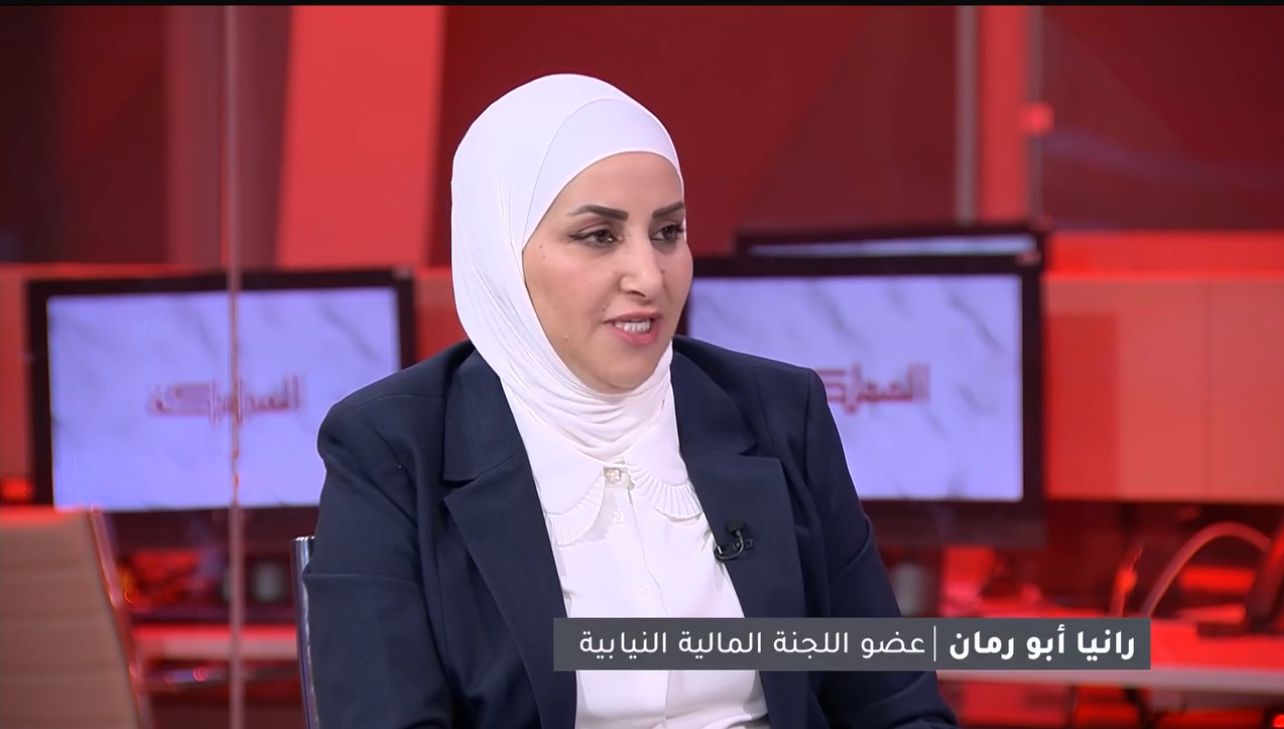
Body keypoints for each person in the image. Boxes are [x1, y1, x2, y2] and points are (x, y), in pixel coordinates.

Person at [304, 73, 959, 729]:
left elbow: (895, 705)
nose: (649, 275)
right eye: (599, 236)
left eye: (668, 231)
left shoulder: (780, 411)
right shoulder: (392, 448)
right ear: (501, 252)